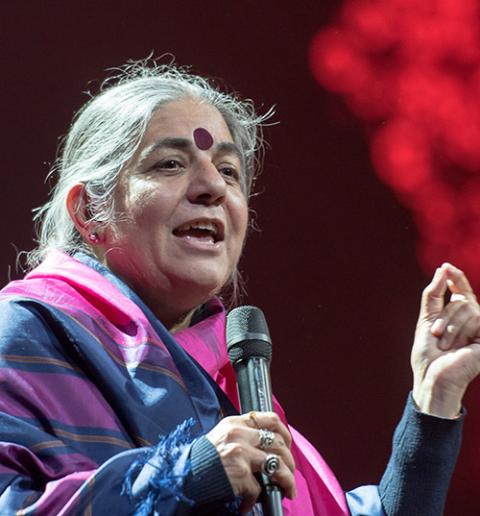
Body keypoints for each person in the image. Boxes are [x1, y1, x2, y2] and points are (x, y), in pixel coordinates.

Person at [0, 58, 478, 515]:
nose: (213, 186)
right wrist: (187, 477)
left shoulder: (229, 388)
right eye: (169, 164)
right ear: (89, 213)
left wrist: (432, 403)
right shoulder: (23, 336)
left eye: (229, 171)